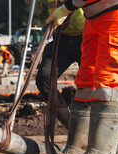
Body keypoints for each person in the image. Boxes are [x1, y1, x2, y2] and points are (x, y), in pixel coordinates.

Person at [44, 0, 118, 154]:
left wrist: (67, 7)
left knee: (108, 78)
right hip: (94, 17)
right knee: (86, 80)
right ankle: (77, 147)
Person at [36, 0, 85, 129]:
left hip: (87, 36)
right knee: (44, 78)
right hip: (60, 38)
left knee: (90, 84)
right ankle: (72, 127)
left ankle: (92, 129)